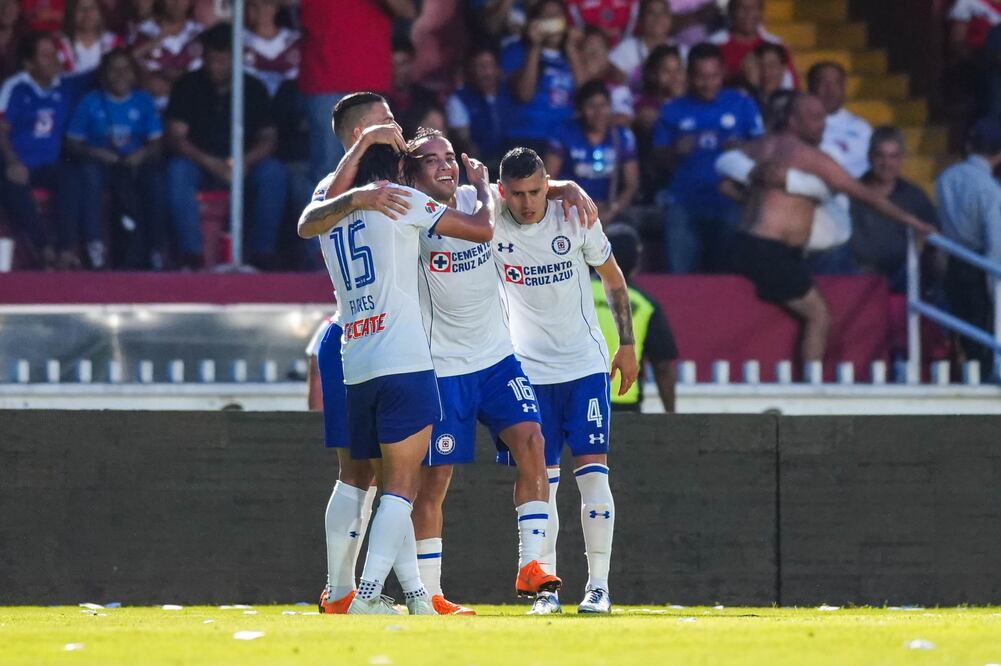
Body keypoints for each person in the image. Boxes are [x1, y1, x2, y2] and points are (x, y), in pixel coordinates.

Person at [297, 121, 496, 619]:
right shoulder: (401, 201)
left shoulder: (333, 212)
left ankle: (412, 595)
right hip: (403, 358)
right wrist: (483, 189)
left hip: (356, 359)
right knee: (401, 488)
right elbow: (482, 230)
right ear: (398, 170)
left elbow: (306, 221)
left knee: (369, 481)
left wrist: (361, 153)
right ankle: (365, 596)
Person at [492, 147, 639, 615]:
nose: (529, 202)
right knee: (543, 481)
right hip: (527, 371)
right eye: (518, 194)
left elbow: (613, 278)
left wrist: (627, 344)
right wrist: (561, 183)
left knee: (593, 473)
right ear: (503, 193)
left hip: (583, 365)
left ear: (546, 184)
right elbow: (456, 183)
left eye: (537, 190)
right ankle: (547, 589)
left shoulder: (574, 214)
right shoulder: (490, 219)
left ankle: (599, 586)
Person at [726, 93, 934, 363]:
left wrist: (764, 184)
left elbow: (725, 179)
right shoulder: (807, 156)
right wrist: (914, 221)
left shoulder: (760, 147)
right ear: (792, 120)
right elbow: (867, 195)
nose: (821, 125)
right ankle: (809, 390)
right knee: (820, 316)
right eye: (813, 119)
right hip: (770, 251)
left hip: (746, 242)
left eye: (823, 118)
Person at [163, 23, 287, 269]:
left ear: (235, 59)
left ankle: (263, 253)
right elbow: (176, 137)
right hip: (200, 163)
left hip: (244, 165)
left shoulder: (253, 88)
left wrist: (243, 162)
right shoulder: (188, 85)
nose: (215, 66)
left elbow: (269, 137)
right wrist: (211, 163)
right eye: (211, 59)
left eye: (222, 60)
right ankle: (192, 254)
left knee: (274, 173)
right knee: (177, 171)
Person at [653, 42, 763, 273]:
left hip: (731, 202)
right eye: (701, 77)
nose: (707, 83)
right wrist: (675, 151)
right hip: (684, 202)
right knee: (680, 275)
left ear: (723, 72)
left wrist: (745, 148)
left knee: (730, 275)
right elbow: (658, 159)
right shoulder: (672, 109)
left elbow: (764, 149)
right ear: (689, 75)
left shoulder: (742, 104)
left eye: (714, 76)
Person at [65, 48, 165, 269]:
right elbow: (72, 144)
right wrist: (96, 152)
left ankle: (157, 248)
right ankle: (95, 245)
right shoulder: (89, 101)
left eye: (125, 69)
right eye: (113, 69)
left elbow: (157, 144)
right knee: (88, 174)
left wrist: (143, 153)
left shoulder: (143, 101)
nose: (120, 74)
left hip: (135, 163)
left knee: (156, 181)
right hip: (102, 163)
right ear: (103, 75)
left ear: (133, 74)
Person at [297, 0, 414, 185]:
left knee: (379, 168)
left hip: (371, 80)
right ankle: (327, 214)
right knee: (327, 171)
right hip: (324, 79)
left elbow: (407, 10)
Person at [0, 31, 88, 269]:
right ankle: (43, 248)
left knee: (72, 176)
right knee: (10, 181)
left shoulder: (67, 86)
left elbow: (105, 73)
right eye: (46, 55)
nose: (55, 60)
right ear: (29, 63)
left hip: (50, 163)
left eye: (55, 54)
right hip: (17, 161)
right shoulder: (15, 87)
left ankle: (67, 250)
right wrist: (12, 161)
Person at [935, 116, 1001, 377]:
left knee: (963, 331)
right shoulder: (990, 190)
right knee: (982, 332)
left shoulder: (946, 177)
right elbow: (995, 242)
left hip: (954, 263)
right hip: (979, 267)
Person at [592, 224, 678, 412]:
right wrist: (671, 414)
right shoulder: (645, 305)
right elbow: (662, 366)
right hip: (623, 405)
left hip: (575, 402)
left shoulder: (575, 293)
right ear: (637, 262)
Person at [851, 126, 939, 292]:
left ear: (902, 159)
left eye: (893, 156)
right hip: (859, 277)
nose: (887, 163)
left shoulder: (915, 196)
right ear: (869, 157)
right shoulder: (853, 192)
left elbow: (935, 237)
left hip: (902, 277)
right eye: (880, 156)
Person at [545, 79, 639, 224]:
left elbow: (631, 184)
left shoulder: (622, 136)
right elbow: (548, 181)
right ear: (580, 109)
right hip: (568, 213)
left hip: (610, 212)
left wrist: (612, 210)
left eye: (603, 105)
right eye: (591, 106)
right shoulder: (563, 133)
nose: (598, 113)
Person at [499, 0, 584, 155]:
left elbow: (586, 94)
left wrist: (571, 49)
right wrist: (535, 47)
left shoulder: (570, 56)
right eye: (546, 16)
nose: (553, 20)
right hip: (527, 137)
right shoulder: (517, 51)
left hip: (564, 139)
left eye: (557, 15)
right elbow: (524, 94)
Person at [128, 0, 203, 107]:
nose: (177, 3)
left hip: (188, 107)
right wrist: (158, 38)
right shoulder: (143, 31)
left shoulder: (199, 34)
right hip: (146, 107)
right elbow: (126, 65)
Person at [708, 0, 796, 88]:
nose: (748, 13)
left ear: (761, 12)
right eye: (742, 8)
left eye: (754, 8)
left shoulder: (776, 44)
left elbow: (790, 85)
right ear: (731, 11)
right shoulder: (713, 45)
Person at [445, 47, 506, 174]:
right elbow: (465, 142)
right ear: (470, 70)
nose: (486, 72)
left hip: (512, 165)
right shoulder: (459, 99)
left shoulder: (510, 94)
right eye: (480, 66)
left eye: (489, 65)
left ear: (498, 68)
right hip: (478, 169)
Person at [807, 61, 873, 179]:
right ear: (810, 87)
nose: (830, 89)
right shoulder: (798, 126)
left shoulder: (862, 128)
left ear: (843, 87)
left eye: (836, 83)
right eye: (823, 82)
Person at [608, 0, 681, 94]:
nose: (658, 18)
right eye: (651, 13)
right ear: (640, 18)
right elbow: (618, 89)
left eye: (663, 13)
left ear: (670, 18)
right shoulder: (624, 50)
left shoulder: (681, 51)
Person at [242, 0, 300, 98]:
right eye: (253, 5)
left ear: (277, 7)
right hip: (250, 104)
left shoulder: (295, 41)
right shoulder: (237, 41)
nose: (261, 10)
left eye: (266, 4)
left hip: (289, 107)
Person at [55, 0, 121, 74]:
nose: (87, 14)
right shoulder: (60, 45)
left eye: (92, 8)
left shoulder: (113, 43)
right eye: (81, 9)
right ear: (72, 13)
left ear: (100, 12)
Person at [565, 0, 639, 46]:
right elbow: (573, 27)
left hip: (624, 50)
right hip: (588, 51)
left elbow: (636, 21)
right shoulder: (573, 3)